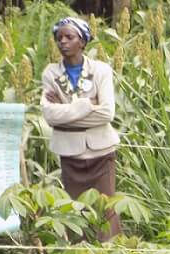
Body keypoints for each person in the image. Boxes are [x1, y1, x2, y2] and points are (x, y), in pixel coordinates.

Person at [41, 16, 121, 239]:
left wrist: (66, 110)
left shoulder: (101, 70)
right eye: (59, 38)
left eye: (69, 37)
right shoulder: (51, 73)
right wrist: (87, 105)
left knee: (105, 210)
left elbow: (107, 113)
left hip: (101, 152)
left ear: (83, 42)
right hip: (70, 153)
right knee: (76, 211)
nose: (62, 42)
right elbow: (49, 116)